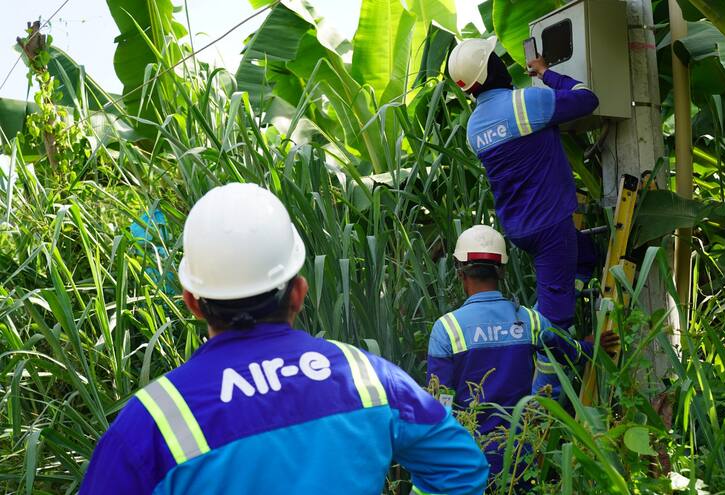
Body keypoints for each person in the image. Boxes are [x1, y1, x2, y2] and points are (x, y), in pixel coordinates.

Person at [81, 183, 488, 494]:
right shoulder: (367, 379)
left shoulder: (154, 422)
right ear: (298, 293)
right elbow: (463, 468)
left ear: (192, 302)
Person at [427, 225, 617, 477]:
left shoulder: (446, 329)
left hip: (469, 459)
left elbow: (441, 403)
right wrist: (591, 346)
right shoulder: (530, 320)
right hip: (521, 458)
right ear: (502, 271)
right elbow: (571, 353)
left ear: (460, 271)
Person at [447, 37, 602, 334]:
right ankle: (548, 379)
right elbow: (587, 98)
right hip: (550, 226)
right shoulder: (525, 103)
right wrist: (546, 72)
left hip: (519, 229)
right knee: (556, 323)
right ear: (492, 68)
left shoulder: (473, 128)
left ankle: (572, 284)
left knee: (586, 255)